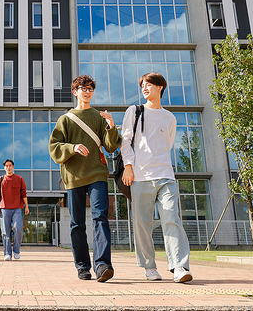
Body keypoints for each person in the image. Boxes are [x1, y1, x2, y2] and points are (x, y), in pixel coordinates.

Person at [120, 72, 192, 283]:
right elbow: (126, 141)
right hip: (140, 176)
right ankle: (149, 267)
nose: (145, 87)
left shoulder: (169, 117)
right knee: (142, 223)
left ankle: (179, 266)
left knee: (172, 218)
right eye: (143, 84)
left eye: (149, 84)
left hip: (165, 176)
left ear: (160, 87)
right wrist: (129, 167)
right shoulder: (134, 111)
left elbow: (167, 145)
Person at [50, 74, 121, 282]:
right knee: (77, 223)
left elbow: (110, 146)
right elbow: (54, 147)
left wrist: (110, 125)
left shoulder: (99, 117)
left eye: (90, 88)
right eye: (83, 88)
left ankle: (102, 265)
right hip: (74, 177)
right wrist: (72, 147)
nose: (87, 91)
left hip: (97, 172)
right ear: (75, 92)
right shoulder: (66, 119)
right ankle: (82, 266)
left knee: (100, 217)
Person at [0, 159, 28, 261]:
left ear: (13, 167)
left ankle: (16, 251)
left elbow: (24, 194)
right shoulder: (0, 179)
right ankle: (7, 253)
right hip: (4, 208)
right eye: (6, 166)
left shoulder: (19, 179)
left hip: (17, 208)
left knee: (18, 228)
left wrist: (26, 206)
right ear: (4, 168)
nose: (8, 167)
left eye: (10, 165)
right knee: (5, 232)